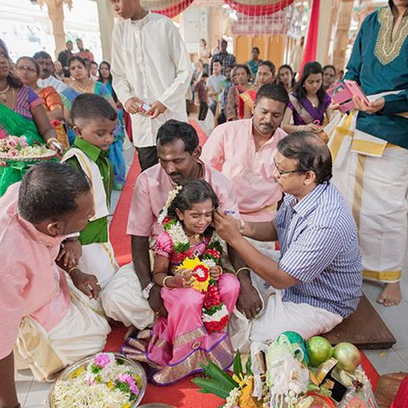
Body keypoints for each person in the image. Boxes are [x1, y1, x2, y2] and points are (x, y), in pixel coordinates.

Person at [101, 120, 258, 333]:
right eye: (163, 160)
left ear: (196, 153)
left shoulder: (220, 184)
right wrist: (150, 287)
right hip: (162, 261)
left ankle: (172, 324)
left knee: (234, 291)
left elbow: (231, 238)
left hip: (209, 261)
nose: (169, 168)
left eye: (177, 160)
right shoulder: (148, 180)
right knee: (115, 299)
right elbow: (138, 238)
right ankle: (176, 323)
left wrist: (245, 281)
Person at [214, 132, 363, 348]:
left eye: (281, 171)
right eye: (275, 166)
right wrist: (241, 227)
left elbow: (281, 278)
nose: (274, 175)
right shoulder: (299, 191)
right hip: (292, 274)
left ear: (308, 176)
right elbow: (277, 226)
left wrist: (235, 238)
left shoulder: (325, 222)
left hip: (320, 300)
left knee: (251, 338)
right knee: (228, 266)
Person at [0, 162, 111, 408]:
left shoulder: (33, 196)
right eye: (87, 216)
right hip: (20, 313)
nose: (92, 217)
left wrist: (73, 271)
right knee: (93, 342)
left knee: (100, 311)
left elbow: (56, 238)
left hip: (47, 284)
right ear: (55, 227)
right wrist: (10, 404)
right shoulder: (7, 262)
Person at [327, 0, 408, 306]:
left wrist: (389, 104)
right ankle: (351, 266)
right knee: (348, 199)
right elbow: (353, 71)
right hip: (360, 121)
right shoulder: (373, 20)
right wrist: (346, 94)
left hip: (398, 129)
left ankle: (390, 276)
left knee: (388, 206)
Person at [122, 179, 240, 385]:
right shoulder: (168, 239)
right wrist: (173, 280)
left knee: (231, 284)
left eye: (207, 214)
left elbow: (219, 262)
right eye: (195, 215)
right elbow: (158, 274)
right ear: (180, 214)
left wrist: (217, 270)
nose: (203, 221)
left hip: (205, 285)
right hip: (178, 288)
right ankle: (188, 355)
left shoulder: (209, 235)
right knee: (191, 299)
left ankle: (214, 339)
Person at [110, 0, 192, 172]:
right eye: (111, 2)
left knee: (180, 176)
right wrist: (126, 98)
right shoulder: (119, 32)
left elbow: (185, 71)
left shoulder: (164, 25)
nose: (115, 7)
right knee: (151, 179)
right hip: (143, 125)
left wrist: (164, 101)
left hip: (171, 117)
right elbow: (118, 74)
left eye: (117, 0)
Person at [202, 83, 288, 223]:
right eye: (264, 112)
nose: (268, 120)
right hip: (223, 215)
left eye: (276, 115)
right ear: (254, 108)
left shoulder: (286, 145)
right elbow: (203, 168)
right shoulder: (226, 131)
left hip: (263, 220)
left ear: (283, 116)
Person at [61, 94, 119, 289]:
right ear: (78, 131)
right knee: (93, 284)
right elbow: (65, 204)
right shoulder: (74, 161)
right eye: (101, 133)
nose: (109, 139)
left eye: (112, 132)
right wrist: (72, 239)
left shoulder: (100, 156)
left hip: (101, 232)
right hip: (83, 238)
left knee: (108, 277)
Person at [0, 39, 64, 197]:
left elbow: (46, 128)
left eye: (3, 54)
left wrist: (52, 141)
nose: (2, 60)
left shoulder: (25, 92)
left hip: (33, 163)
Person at [61, 56, 126, 189]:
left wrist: (100, 127)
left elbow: (112, 109)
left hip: (104, 125)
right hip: (82, 130)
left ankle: (111, 180)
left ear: (86, 68)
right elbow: (67, 117)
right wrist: (86, 126)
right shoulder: (67, 93)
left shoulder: (99, 87)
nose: (76, 71)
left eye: (79, 67)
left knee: (108, 136)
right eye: (73, 68)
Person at [15, 56, 69, 148]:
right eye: (21, 68)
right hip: (15, 141)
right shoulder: (9, 95)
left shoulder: (47, 91)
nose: (25, 72)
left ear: (38, 75)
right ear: (14, 70)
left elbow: (58, 113)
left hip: (48, 139)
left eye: (30, 69)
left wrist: (29, 122)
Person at [282, 61, 333, 140]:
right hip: (300, 140)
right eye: (311, 82)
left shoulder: (324, 97)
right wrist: (303, 128)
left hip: (319, 139)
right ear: (303, 82)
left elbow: (332, 121)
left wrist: (322, 127)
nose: (315, 85)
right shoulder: (294, 98)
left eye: (318, 81)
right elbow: (284, 126)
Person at [98, 60, 127, 190]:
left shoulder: (114, 84)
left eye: (106, 68)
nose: (104, 70)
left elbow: (120, 99)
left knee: (116, 150)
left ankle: (118, 179)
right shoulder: (97, 85)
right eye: (102, 68)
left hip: (114, 116)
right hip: (98, 120)